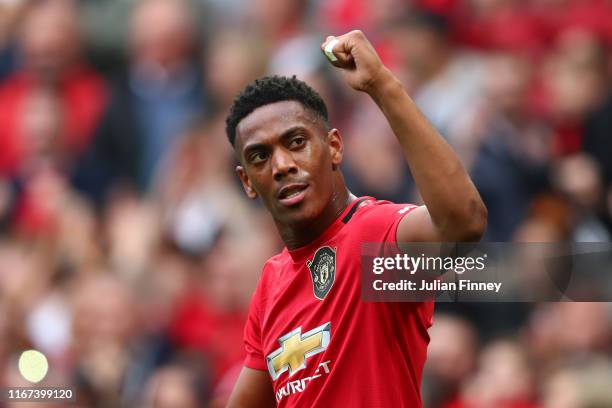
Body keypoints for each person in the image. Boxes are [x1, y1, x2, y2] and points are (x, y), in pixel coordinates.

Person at [225, 30, 487, 407]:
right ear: (247, 182)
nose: (282, 165)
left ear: (333, 147)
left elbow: (464, 223)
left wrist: (382, 84)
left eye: (296, 142)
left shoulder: (376, 236)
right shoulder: (271, 282)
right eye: (260, 157)